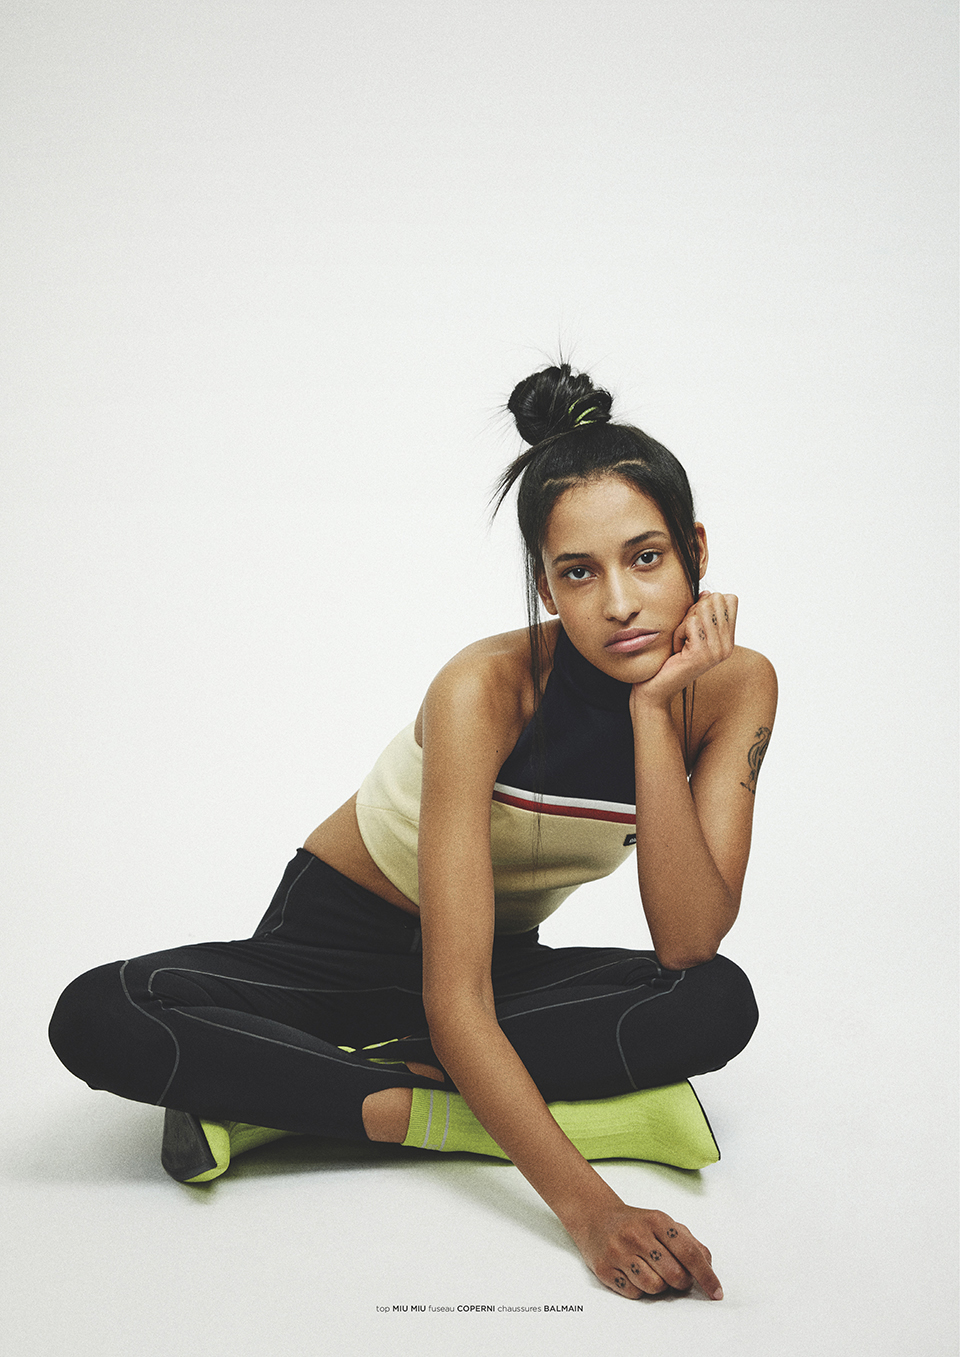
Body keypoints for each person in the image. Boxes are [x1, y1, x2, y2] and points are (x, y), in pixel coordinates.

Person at [49, 361, 776, 1301]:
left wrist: (651, 715)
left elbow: (688, 938)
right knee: (102, 1008)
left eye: (646, 558)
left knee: (714, 998)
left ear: (695, 550)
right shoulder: (484, 688)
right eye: (578, 572)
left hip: (492, 959)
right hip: (332, 948)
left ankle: (284, 1097)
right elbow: (454, 1001)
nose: (620, 602)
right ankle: (427, 1112)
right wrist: (592, 1209)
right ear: (545, 586)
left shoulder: (735, 686)